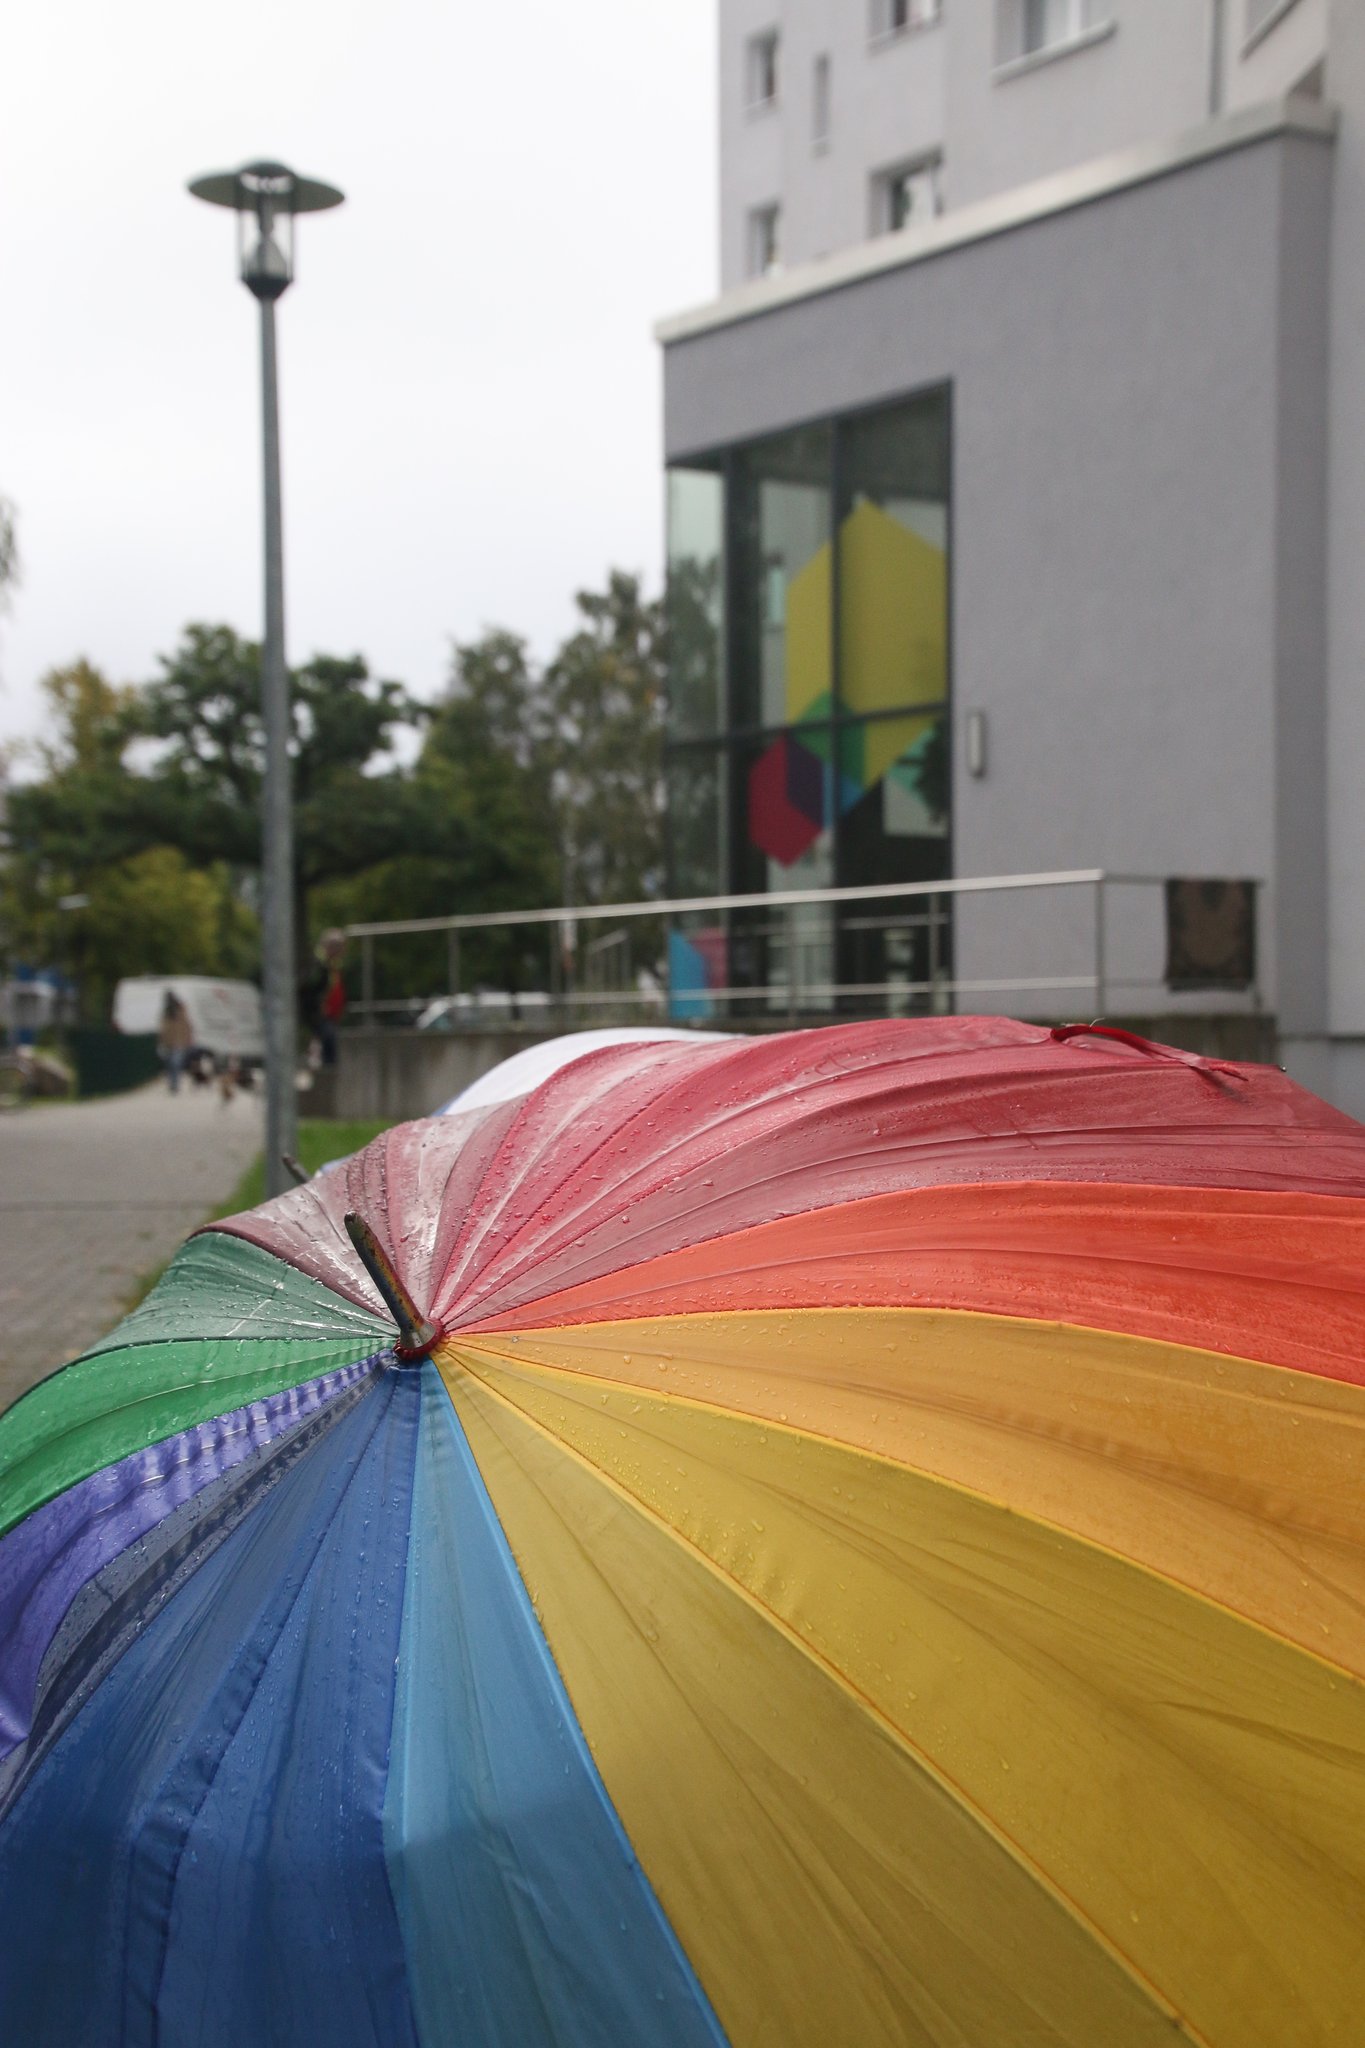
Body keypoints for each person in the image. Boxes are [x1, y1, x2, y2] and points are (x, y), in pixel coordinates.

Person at [157, 990, 192, 1094]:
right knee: (169, 1064)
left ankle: (175, 1084)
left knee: (175, 1063)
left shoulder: (180, 1011)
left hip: (178, 1041)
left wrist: (188, 1038)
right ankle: (172, 1083)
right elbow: (163, 1028)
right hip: (168, 1042)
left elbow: (186, 1025)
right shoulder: (166, 1012)